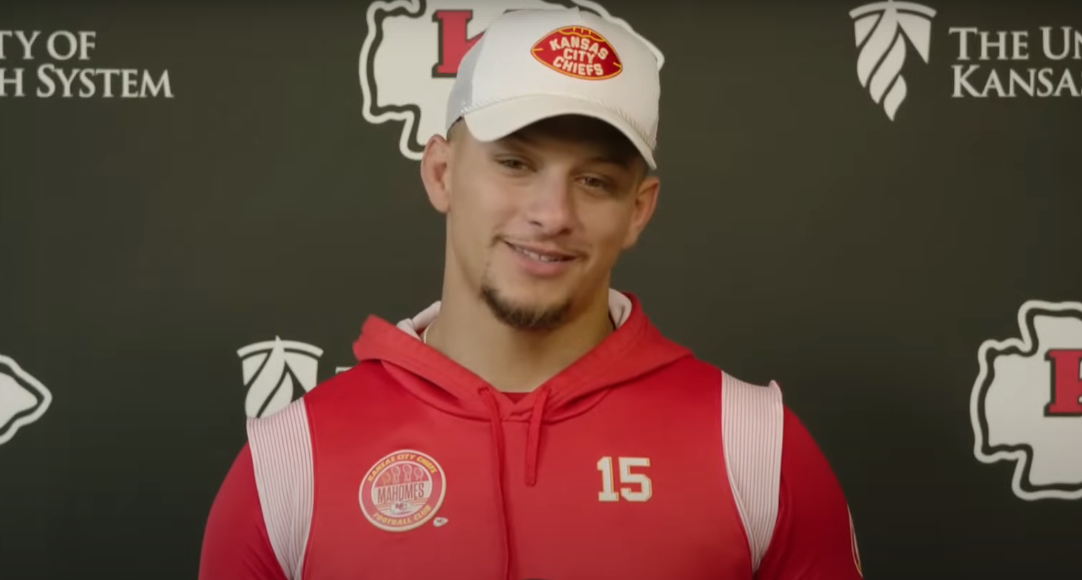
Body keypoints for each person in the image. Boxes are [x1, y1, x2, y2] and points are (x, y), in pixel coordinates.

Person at [198, 7, 864, 580]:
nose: (552, 213)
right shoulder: (293, 463)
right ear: (441, 172)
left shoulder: (753, 446)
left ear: (639, 209)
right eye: (515, 163)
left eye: (596, 181)